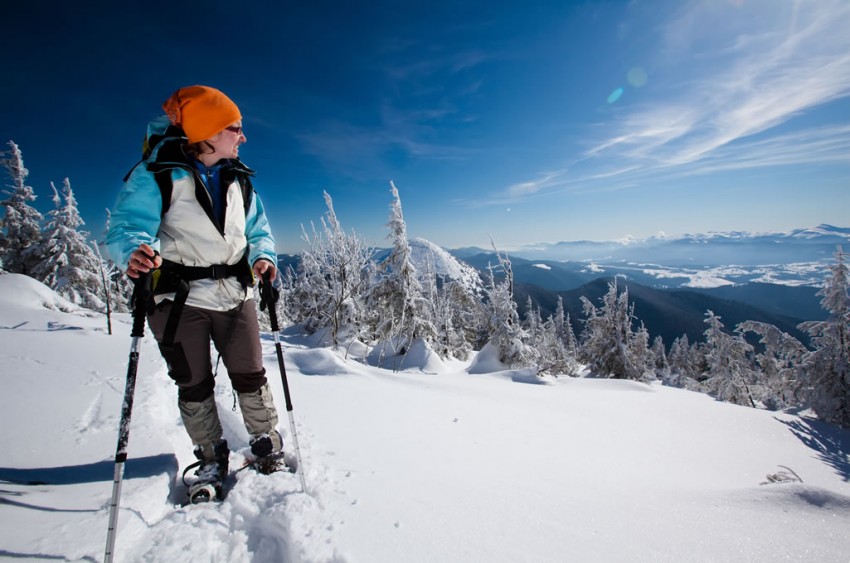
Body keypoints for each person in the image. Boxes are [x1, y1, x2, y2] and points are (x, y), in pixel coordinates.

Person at [106, 85, 283, 502]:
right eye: (235, 129)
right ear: (207, 131)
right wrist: (134, 252)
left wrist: (264, 258)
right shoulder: (158, 175)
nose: (243, 137)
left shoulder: (239, 179)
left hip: (236, 295)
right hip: (178, 300)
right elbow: (126, 227)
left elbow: (259, 232)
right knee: (194, 382)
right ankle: (209, 454)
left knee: (250, 373)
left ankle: (264, 440)